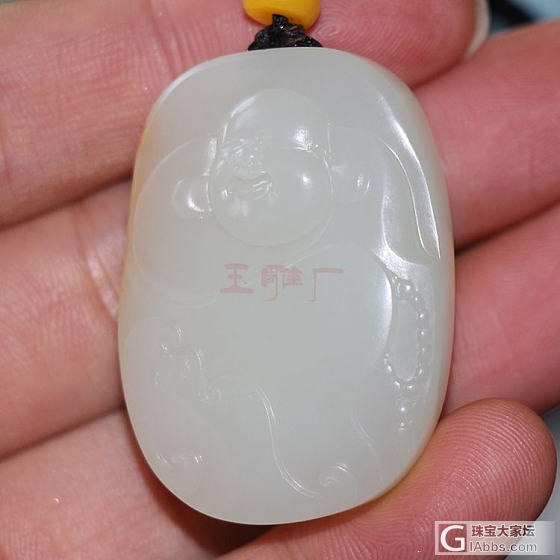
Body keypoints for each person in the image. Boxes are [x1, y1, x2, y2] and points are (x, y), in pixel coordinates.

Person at [0, 1, 557, 557]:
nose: (246, 168)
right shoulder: (201, 279)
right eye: (234, 154)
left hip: (327, 450)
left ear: (341, 174)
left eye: (272, 152)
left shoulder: (355, 278)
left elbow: (360, 364)